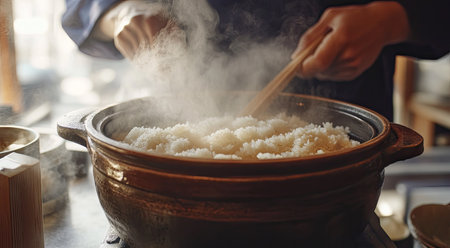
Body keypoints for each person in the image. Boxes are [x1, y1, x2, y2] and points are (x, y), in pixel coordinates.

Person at [62, 0, 450, 121]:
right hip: (184, 113)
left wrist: (391, 18)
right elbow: (79, 8)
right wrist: (121, 12)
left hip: (340, 135)